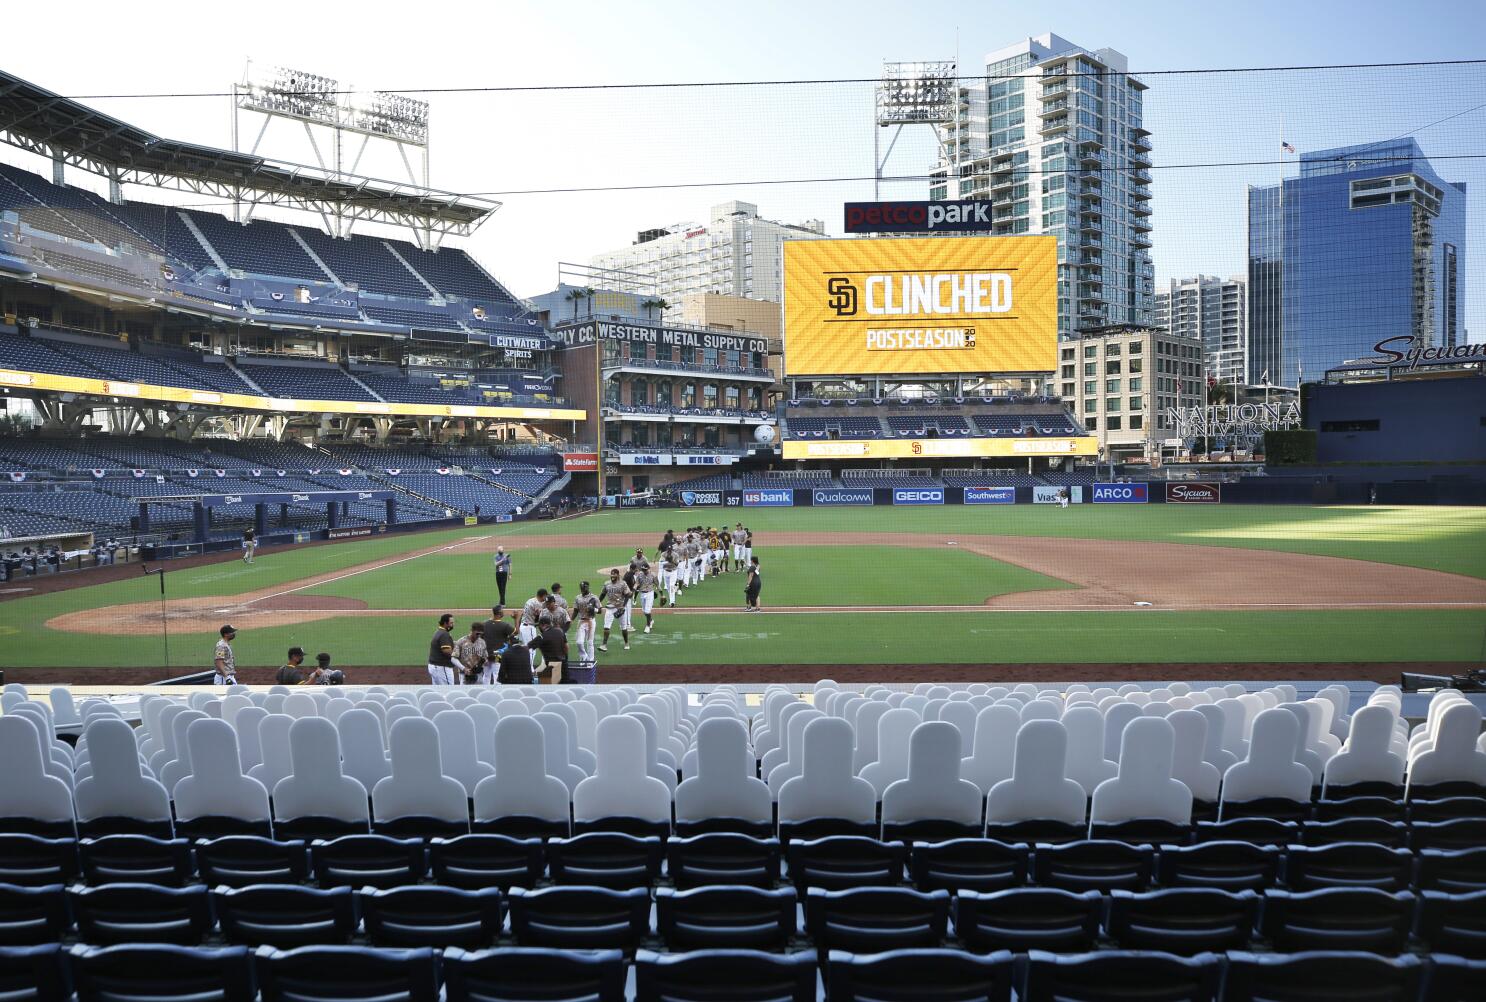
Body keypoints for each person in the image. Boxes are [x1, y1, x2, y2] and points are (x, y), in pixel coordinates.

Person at [598, 567, 633, 653]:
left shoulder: (623, 584)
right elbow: (602, 594)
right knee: (606, 627)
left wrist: (623, 607)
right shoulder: (607, 584)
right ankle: (604, 645)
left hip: (620, 608)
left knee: (624, 628)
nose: (612, 575)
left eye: (614, 574)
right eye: (612, 573)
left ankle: (626, 643)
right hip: (610, 608)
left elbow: (628, 595)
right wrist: (598, 603)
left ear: (618, 575)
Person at [531, 611, 568, 683]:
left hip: (556, 664)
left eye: (540, 626)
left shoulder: (543, 637)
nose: (539, 628)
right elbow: (566, 647)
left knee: (555, 683)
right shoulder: (559, 632)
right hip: (561, 662)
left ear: (544, 625)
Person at [519, 588, 549, 675]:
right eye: (545, 596)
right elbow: (538, 619)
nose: (545, 599)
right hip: (529, 628)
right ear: (543, 595)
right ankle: (530, 669)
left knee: (526, 648)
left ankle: (525, 667)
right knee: (532, 648)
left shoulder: (530, 600)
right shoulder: (537, 604)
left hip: (523, 626)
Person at [427, 613, 461, 685]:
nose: (453, 625)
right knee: (448, 690)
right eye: (451, 623)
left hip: (435, 667)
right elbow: (446, 651)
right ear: (445, 623)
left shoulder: (439, 632)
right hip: (442, 668)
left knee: (438, 691)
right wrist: (457, 655)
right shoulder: (444, 634)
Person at [573, 580, 600, 668]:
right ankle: (584, 657)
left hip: (591, 621)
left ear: (588, 587)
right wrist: (570, 620)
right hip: (581, 621)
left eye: (584, 587)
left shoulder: (594, 597)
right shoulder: (577, 597)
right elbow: (576, 610)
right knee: (579, 642)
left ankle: (590, 662)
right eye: (581, 587)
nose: (582, 589)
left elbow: (600, 610)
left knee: (590, 642)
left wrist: (594, 609)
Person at [454, 621, 488, 685]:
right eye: (477, 633)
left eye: (481, 634)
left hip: (479, 675)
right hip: (464, 675)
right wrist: (463, 668)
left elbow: (485, 657)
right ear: (471, 630)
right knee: (464, 693)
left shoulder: (482, 642)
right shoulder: (461, 641)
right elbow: (453, 658)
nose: (479, 636)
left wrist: (485, 661)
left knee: (479, 693)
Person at [635, 561, 659, 634]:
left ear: (648, 568)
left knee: (647, 611)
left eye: (645, 569)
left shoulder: (653, 575)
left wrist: (662, 595)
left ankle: (648, 626)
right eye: (643, 570)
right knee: (644, 611)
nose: (644, 571)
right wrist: (634, 589)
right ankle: (651, 620)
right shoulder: (639, 575)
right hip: (642, 593)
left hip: (650, 593)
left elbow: (657, 584)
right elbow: (637, 583)